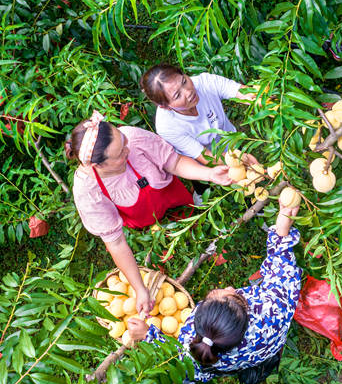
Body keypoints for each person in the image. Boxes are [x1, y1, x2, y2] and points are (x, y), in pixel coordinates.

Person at [65, 111, 232, 315]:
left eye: (123, 140)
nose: (127, 149)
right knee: (161, 244)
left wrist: (209, 173)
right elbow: (116, 243)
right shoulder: (88, 190)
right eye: (119, 155)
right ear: (97, 166)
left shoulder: (133, 139)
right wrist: (140, 289)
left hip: (172, 195)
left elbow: (174, 162)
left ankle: (198, 232)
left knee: (190, 217)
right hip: (143, 219)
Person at [128, 200, 301, 384]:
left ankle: (250, 368)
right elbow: (282, 269)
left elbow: (180, 361)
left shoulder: (192, 343)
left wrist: (148, 335)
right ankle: (261, 364)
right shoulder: (274, 309)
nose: (229, 288)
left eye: (229, 293)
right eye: (234, 294)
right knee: (261, 358)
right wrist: (282, 228)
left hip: (229, 362)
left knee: (200, 370)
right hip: (268, 345)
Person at [139, 64, 260, 168]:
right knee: (204, 185)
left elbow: (242, 93)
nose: (188, 92)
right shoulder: (167, 127)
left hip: (229, 138)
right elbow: (205, 156)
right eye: (177, 96)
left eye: (184, 81)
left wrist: (261, 100)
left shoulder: (204, 82)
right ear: (165, 106)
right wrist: (237, 160)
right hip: (200, 159)